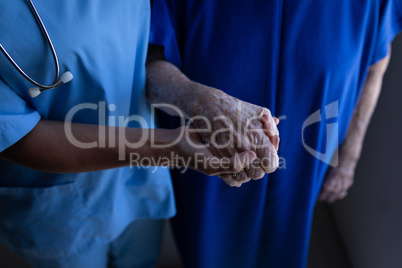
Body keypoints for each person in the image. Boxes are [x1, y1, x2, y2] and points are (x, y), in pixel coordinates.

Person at [0, 1, 277, 267]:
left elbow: (147, 45)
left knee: (140, 259)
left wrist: (202, 100)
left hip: (140, 179)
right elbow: (20, 137)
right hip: (60, 203)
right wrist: (170, 147)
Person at [147, 0, 402, 267]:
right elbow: (148, 60)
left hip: (306, 164)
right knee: (207, 245)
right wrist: (200, 101)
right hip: (207, 150)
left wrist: (349, 157)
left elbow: (376, 63)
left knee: (286, 243)